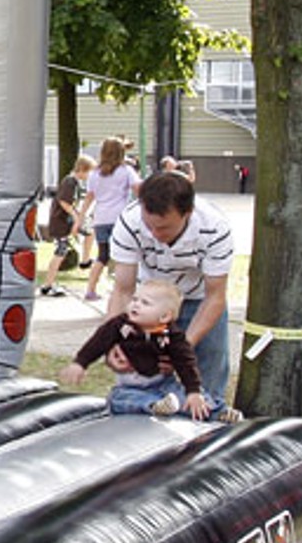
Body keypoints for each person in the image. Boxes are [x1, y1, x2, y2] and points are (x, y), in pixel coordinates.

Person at [106, 170, 236, 414]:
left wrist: (180, 349)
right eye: (149, 226)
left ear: (187, 213)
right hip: (151, 301)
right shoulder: (129, 221)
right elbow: (123, 290)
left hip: (198, 300)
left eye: (164, 228)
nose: (155, 234)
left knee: (205, 375)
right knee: (138, 380)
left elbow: (215, 296)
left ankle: (212, 419)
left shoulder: (214, 228)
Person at [60, 278, 232, 421]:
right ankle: (154, 407)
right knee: (118, 400)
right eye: (135, 299)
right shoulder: (121, 326)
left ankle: (218, 412)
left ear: (164, 316)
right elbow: (98, 342)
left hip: (164, 385)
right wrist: (80, 363)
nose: (136, 305)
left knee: (193, 397)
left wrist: (193, 391)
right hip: (130, 388)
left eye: (145, 303)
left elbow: (185, 362)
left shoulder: (171, 335)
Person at [82, 137, 139, 302]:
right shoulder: (126, 171)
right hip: (121, 219)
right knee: (125, 256)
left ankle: (90, 289)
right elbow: (138, 188)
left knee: (103, 256)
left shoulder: (94, 173)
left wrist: (81, 217)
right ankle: (120, 291)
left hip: (101, 218)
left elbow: (89, 197)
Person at [40, 153, 96, 296]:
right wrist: (75, 217)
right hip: (61, 222)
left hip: (66, 221)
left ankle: (85, 260)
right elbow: (64, 202)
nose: (90, 176)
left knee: (90, 232)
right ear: (83, 169)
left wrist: (78, 217)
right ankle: (47, 285)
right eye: (90, 172)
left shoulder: (74, 183)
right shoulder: (70, 182)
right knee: (60, 251)